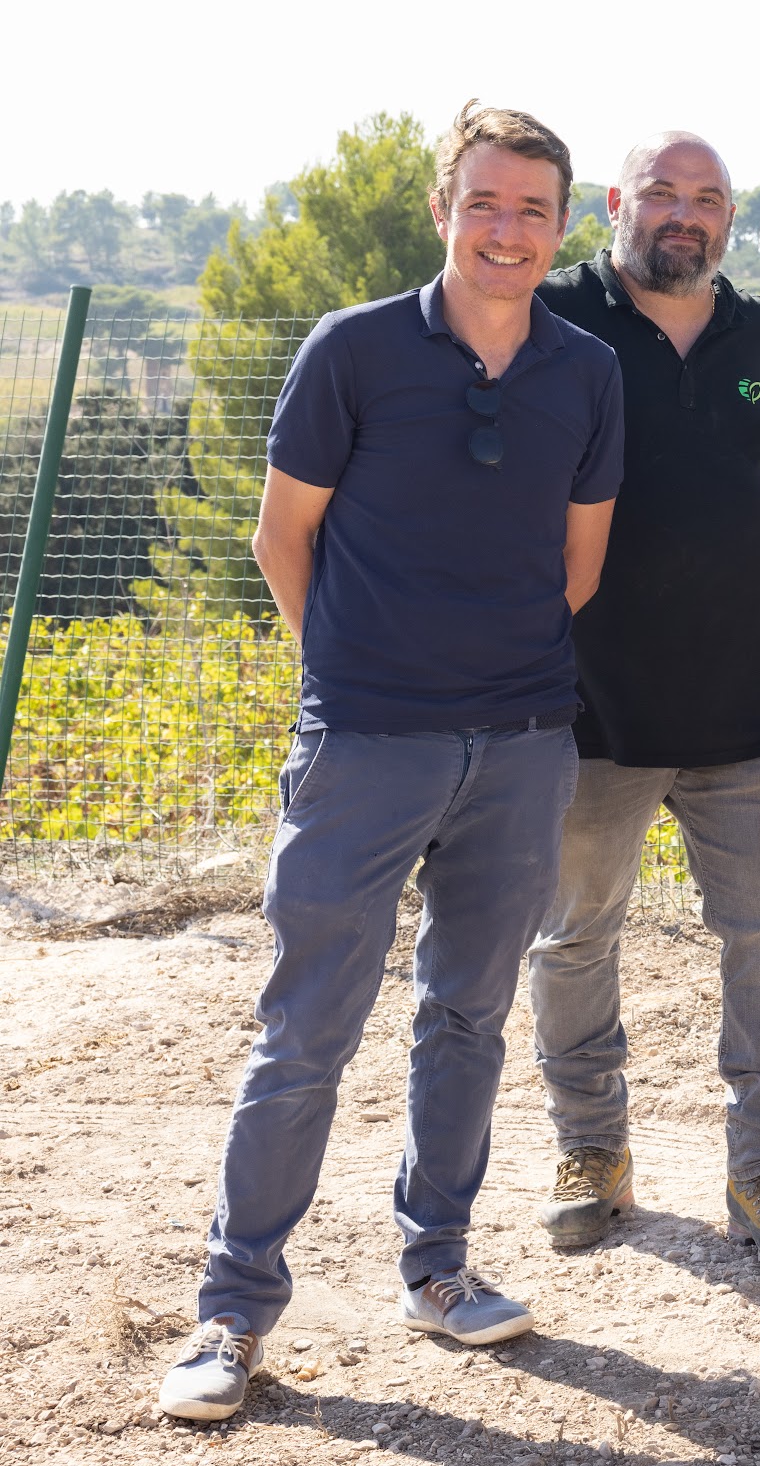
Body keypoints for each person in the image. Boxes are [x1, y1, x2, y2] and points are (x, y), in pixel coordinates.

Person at [158, 102, 623, 1422]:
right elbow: (279, 536)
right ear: (444, 209)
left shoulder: (587, 373)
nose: (507, 229)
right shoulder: (351, 349)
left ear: (562, 223)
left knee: (468, 1016)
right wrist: (356, 677)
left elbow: (578, 563)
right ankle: (232, 1311)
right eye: (485, 201)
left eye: (533, 208)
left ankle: (438, 1270)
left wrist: (487, 685)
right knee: (306, 1028)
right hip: (364, 739)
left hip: (524, 742)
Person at [527, 132, 760, 1269]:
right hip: (582, 703)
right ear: (616, 203)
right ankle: (590, 1150)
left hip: (747, 701)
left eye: (707, 199)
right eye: (662, 193)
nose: (684, 216)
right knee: (570, 939)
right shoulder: (556, 317)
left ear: (729, 219)